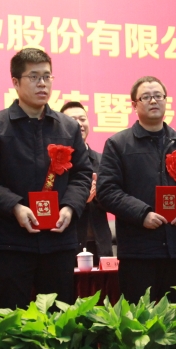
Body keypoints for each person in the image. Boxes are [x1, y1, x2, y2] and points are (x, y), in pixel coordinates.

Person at [0, 49, 92, 309]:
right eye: (34, 77)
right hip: (12, 241)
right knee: (12, 316)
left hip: (59, 238)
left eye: (47, 76)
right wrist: (15, 206)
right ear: (15, 82)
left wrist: (70, 207)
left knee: (60, 315)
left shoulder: (68, 127)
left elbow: (82, 174)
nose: (42, 84)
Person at [97, 77, 176, 303]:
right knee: (140, 317)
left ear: (166, 101)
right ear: (134, 105)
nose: (153, 101)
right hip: (138, 250)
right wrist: (142, 213)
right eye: (146, 97)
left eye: (158, 96)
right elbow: (107, 190)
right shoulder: (118, 144)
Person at [60, 101, 113, 262]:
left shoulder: (103, 160)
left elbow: (115, 198)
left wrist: (98, 195)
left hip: (100, 242)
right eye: (73, 120)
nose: (79, 124)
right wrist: (79, 197)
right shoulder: (56, 162)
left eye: (82, 119)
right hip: (67, 241)